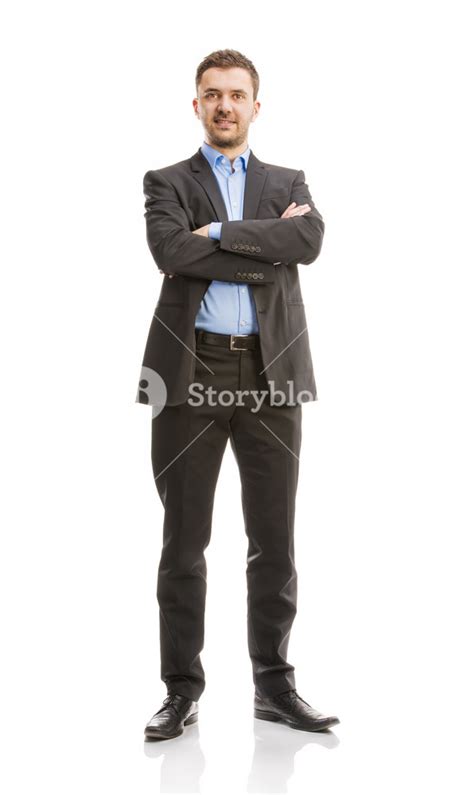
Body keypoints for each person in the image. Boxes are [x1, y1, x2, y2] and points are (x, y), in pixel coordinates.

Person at [137, 49, 340, 741]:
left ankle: (275, 687)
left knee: (274, 540)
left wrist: (220, 234)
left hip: (272, 372)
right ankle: (180, 691)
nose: (225, 105)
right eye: (212, 94)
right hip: (187, 374)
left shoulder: (290, 180)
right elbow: (170, 252)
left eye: (237, 94)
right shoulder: (165, 181)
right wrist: (265, 248)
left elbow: (307, 239)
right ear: (195, 105)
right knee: (184, 541)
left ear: (257, 104)